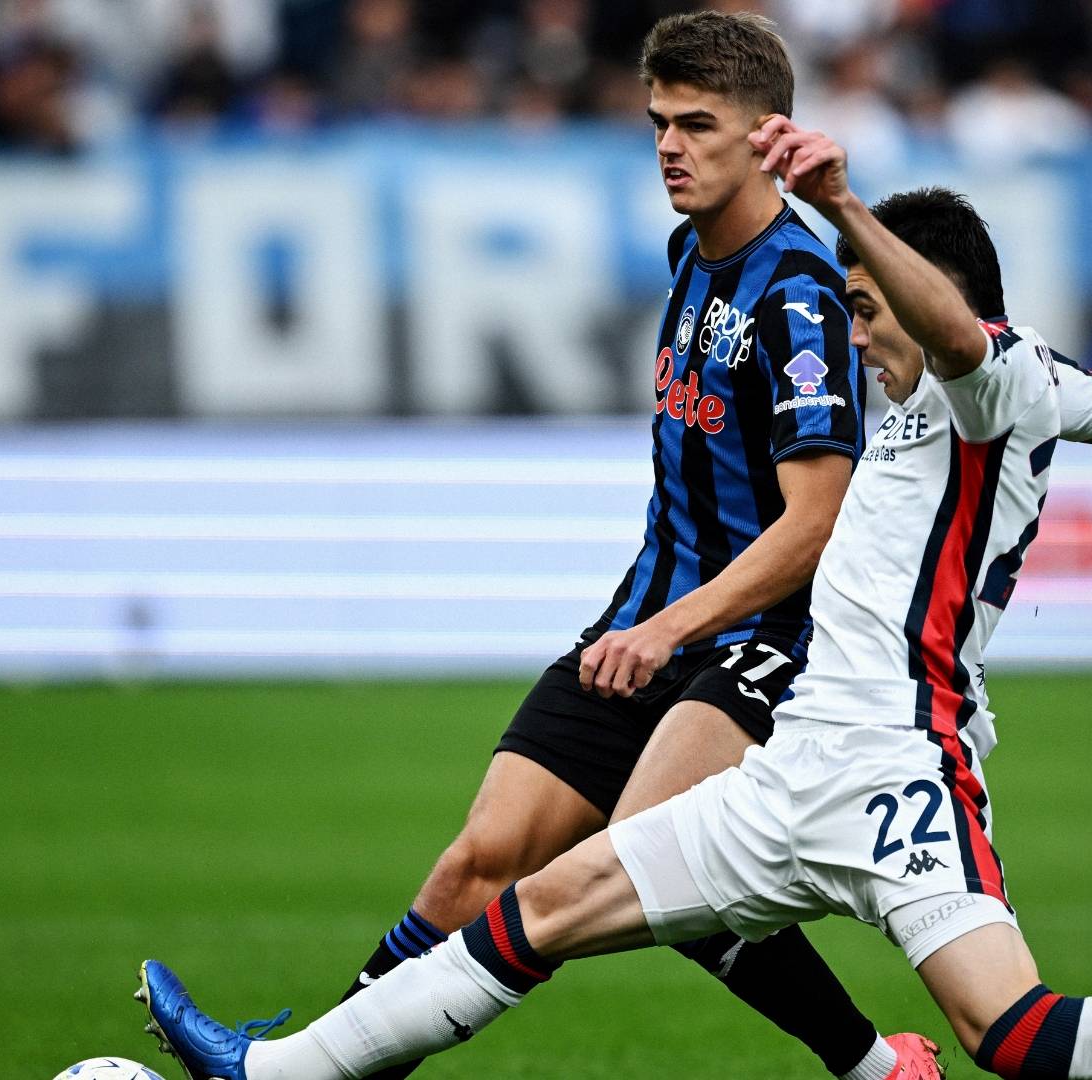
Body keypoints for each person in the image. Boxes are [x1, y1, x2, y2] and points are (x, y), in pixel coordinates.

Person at [136, 115, 1092, 1080]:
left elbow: (962, 339)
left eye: (868, 310)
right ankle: (278, 1073)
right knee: (546, 905)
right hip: (793, 763)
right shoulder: (1016, 383)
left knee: (1017, 1038)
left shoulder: (987, 379)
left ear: (931, 298)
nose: (856, 334)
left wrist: (844, 206)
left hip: (904, 767)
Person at [320, 11, 937, 1080]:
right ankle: (309, 1068)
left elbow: (817, 522)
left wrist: (668, 633)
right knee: (476, 864)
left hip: (756, 642)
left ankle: (877, 1068)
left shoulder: (799, 295)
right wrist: (647, 626)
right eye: (658, 123)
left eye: (697, 125)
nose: (669, 147)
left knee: (646, 865)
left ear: (768, 138)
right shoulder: (692, 253)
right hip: (645, 617)